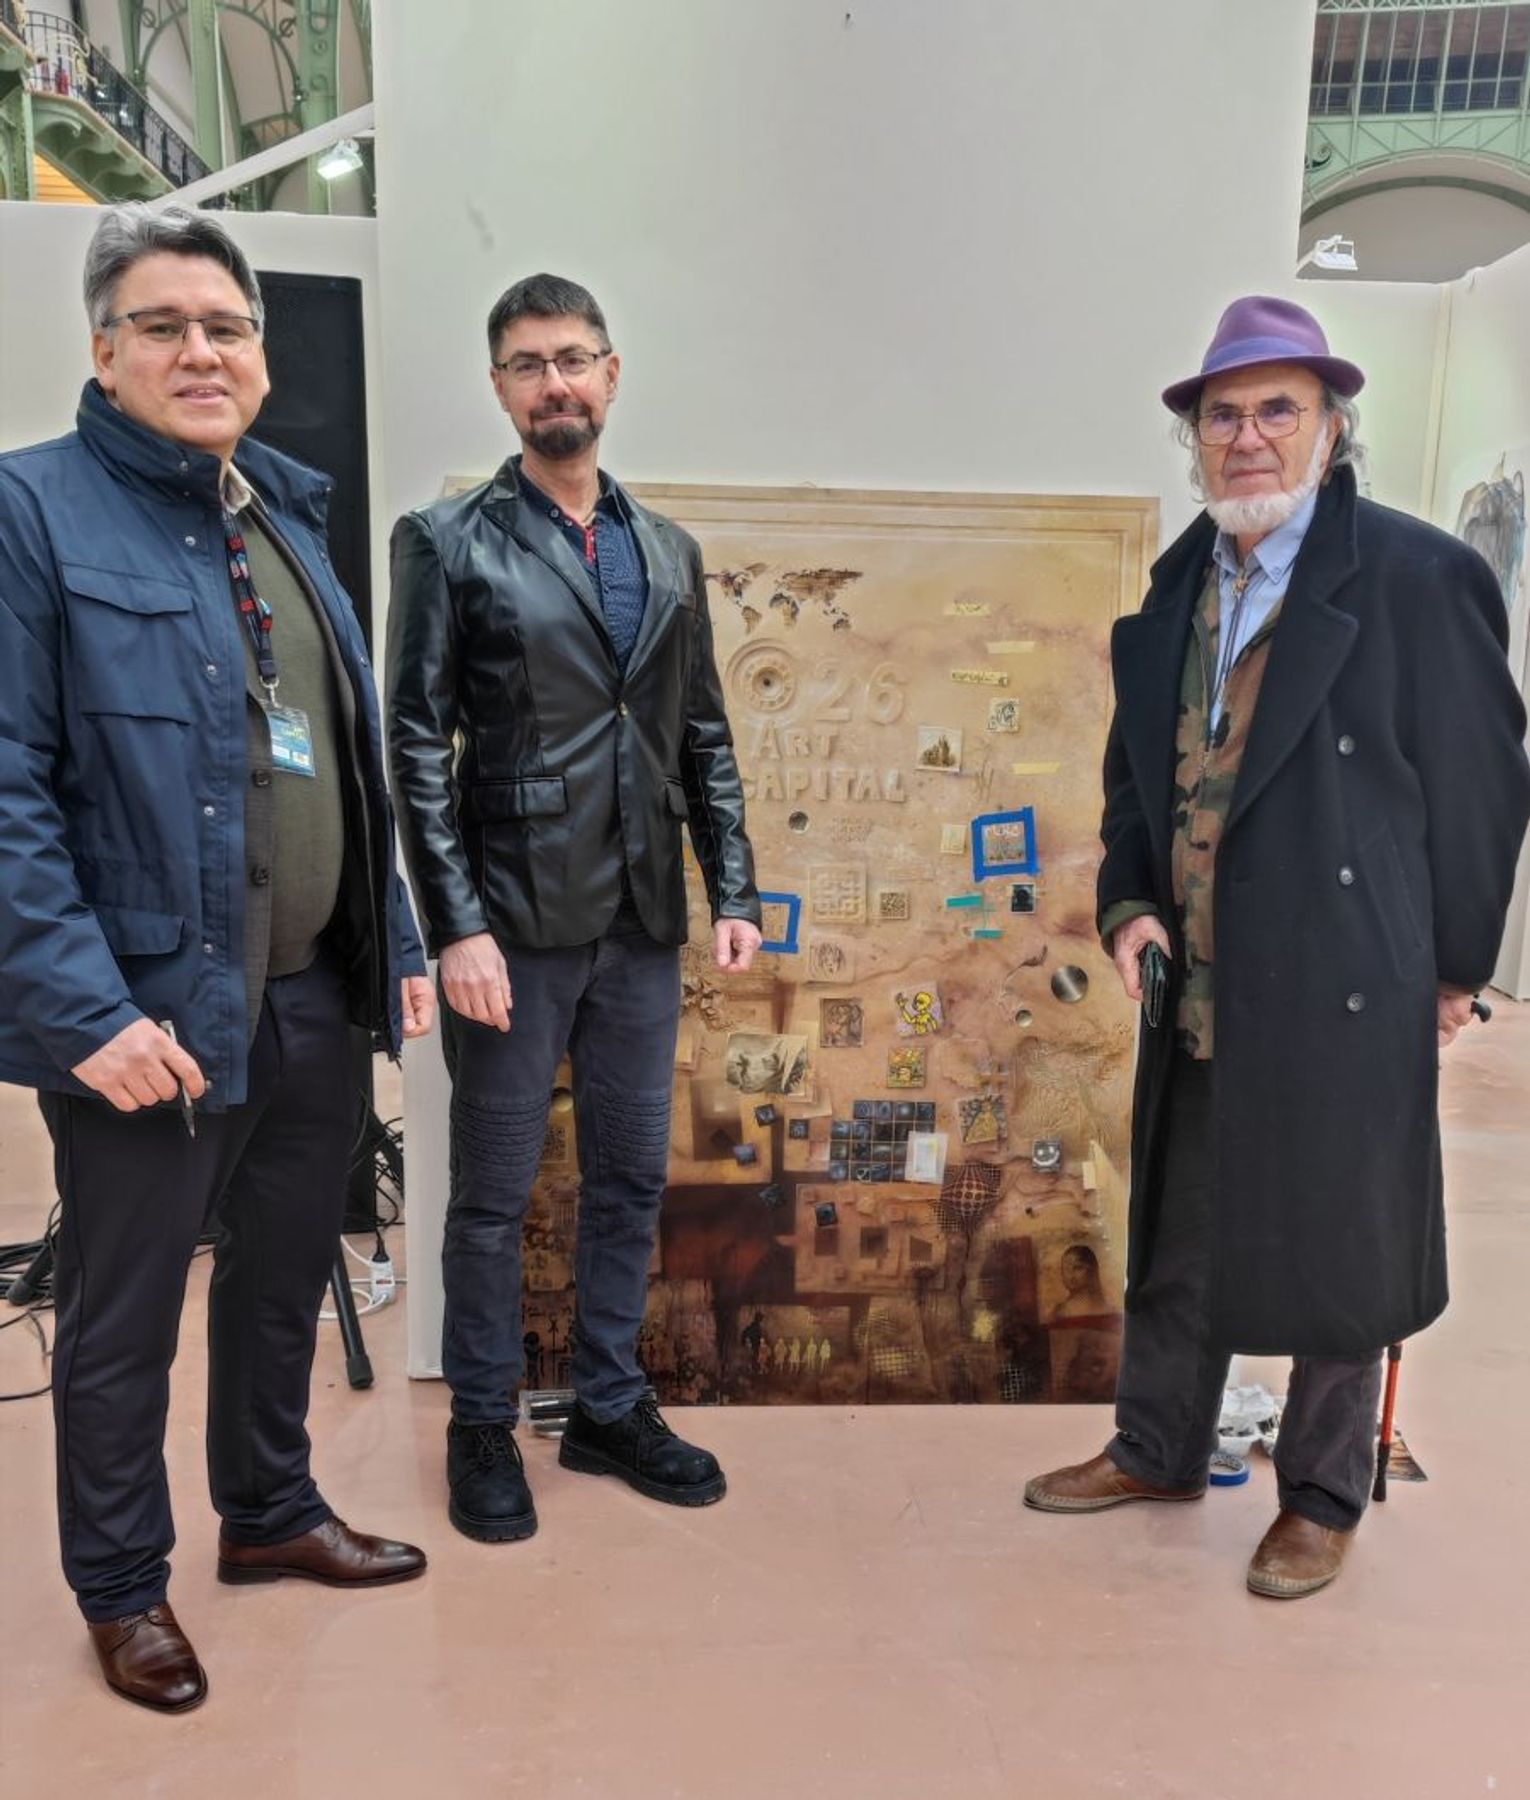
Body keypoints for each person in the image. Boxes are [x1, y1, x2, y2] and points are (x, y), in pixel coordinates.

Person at [1024, 296, 1530, 1599]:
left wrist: (1453, 967)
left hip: (1345, 972)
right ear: (1194, 437)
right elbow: (1137, 777)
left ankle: (1319, 1494)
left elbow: (1481, 784)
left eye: (1276, 410)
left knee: (1338, 1240)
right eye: (1222, 415)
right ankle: (1157, 1447)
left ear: (1330, 427)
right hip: (1198, 975)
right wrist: (1130, 902)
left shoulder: (1417, 577)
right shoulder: (1177, 584)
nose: (1246, 436)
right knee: (1178, 1229)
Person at [0, 205, 436, 1712]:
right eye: (165, 325)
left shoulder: (286, 522)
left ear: (261, 352)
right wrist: (84, 1013)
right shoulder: (30, 511)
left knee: (279, 1280)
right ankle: (123, 1588)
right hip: (151, 1015)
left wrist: (393, 943)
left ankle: (270, 1513)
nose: (202, 351)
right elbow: (6, 792)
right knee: (123, 1320)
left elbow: (345, 767)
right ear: (104, 349)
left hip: (311, 994)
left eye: (228, 327)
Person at [387, 272, 761, 1543]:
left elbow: (702, 733)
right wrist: (456, 925)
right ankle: (481, 1424)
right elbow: (414, 743)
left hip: (642, 920)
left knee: (630, 1180)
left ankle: (606, 1403)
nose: (555, 382)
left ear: (611, 373)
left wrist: (733, 885)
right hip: (512, 925)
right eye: (528, 363)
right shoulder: (446, 541)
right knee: (493, 1195)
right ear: (500, 387)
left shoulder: (668, 550)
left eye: (573, 358)